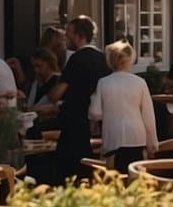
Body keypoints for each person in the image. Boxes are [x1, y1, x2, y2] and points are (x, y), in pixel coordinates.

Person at [50, 16, 110, 181]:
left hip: (75, 121)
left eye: (68, 32)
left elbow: (57, 93)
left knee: (68, 171)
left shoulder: (76, 59)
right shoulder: (103, 58)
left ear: (79, 35)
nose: (66, 37)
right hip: (97, 121)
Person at [90, 41, 158, 177]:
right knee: (135, 177)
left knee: (114, 178)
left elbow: (95, 113)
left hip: (113, 136)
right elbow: (148, 116)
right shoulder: (139, 82)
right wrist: (152, 143)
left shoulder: (103, 82)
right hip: (136, 136)